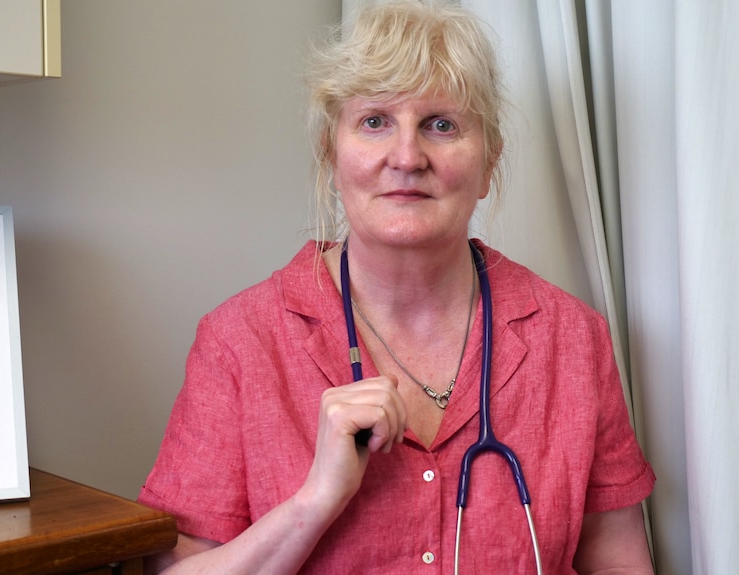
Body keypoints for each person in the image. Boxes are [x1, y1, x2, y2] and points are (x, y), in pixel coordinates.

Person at [138, 1, 656, 573]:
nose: (407, 157)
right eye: (375, 121)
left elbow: (618, 561)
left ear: (489, 165)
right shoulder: (239, 343)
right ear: (331, 157)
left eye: (441, 125)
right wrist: (315, 501)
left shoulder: (573, 339)